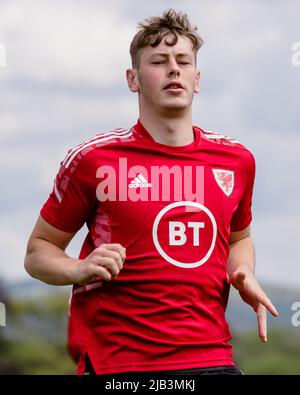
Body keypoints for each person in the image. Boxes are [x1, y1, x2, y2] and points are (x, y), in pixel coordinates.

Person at [24, 9, 278, 376]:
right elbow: (37, 252)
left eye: (183, 61)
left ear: (197, 78)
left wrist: (242, 270)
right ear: (134, 79)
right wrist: (78, 268)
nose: (173, 69)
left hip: (211, 358)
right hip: (121, 364)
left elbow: (240, 237)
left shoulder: (237, 161)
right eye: (158, 61)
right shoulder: (95, 159)